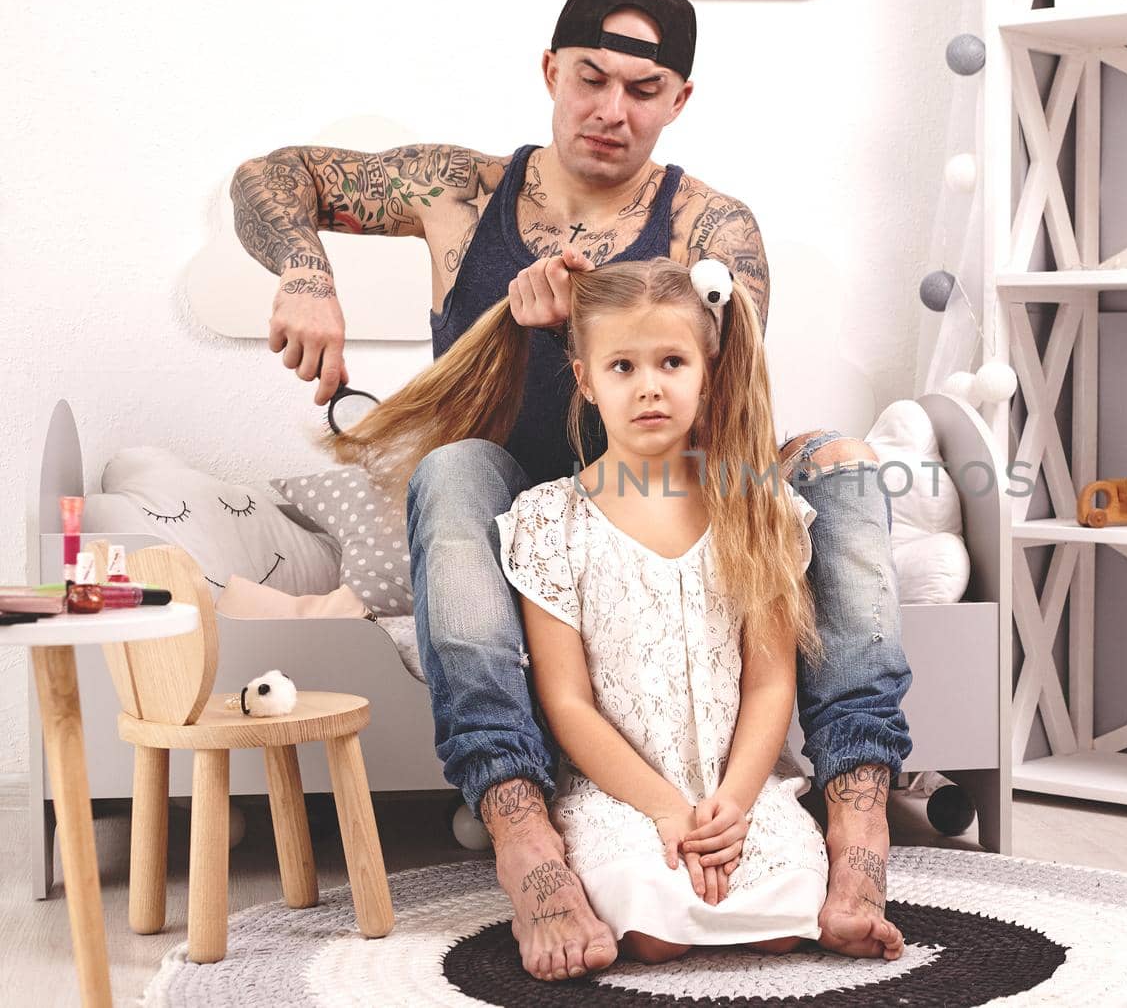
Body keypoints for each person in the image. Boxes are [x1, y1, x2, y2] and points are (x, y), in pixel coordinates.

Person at [229, 0, 912, 980]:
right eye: (590, 78)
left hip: (666, 488)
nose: (611, 110)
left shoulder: (709, 231)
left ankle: (859, 826)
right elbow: (270, 175)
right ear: (550, 69)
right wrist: (304, 273)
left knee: (851, 466)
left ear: (679, 100)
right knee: (453, 470)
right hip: (520, 493)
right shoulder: (457, 193)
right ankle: (522, 831)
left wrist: (624, 321)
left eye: (643, 90)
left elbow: (724, 413)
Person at [348, 256, 834, 968]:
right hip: (621, 793)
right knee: (653, 932)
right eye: (623, 368)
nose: (649, 388)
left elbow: (770, 682)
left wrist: (733, 799)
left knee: (786, 923)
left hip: (736, 784)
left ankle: (744, 839)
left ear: (707, 366)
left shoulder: (755, 509)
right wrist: (666, 807)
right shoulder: (549, 522)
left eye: (671, 361)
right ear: (585, 380)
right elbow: (568, 702)